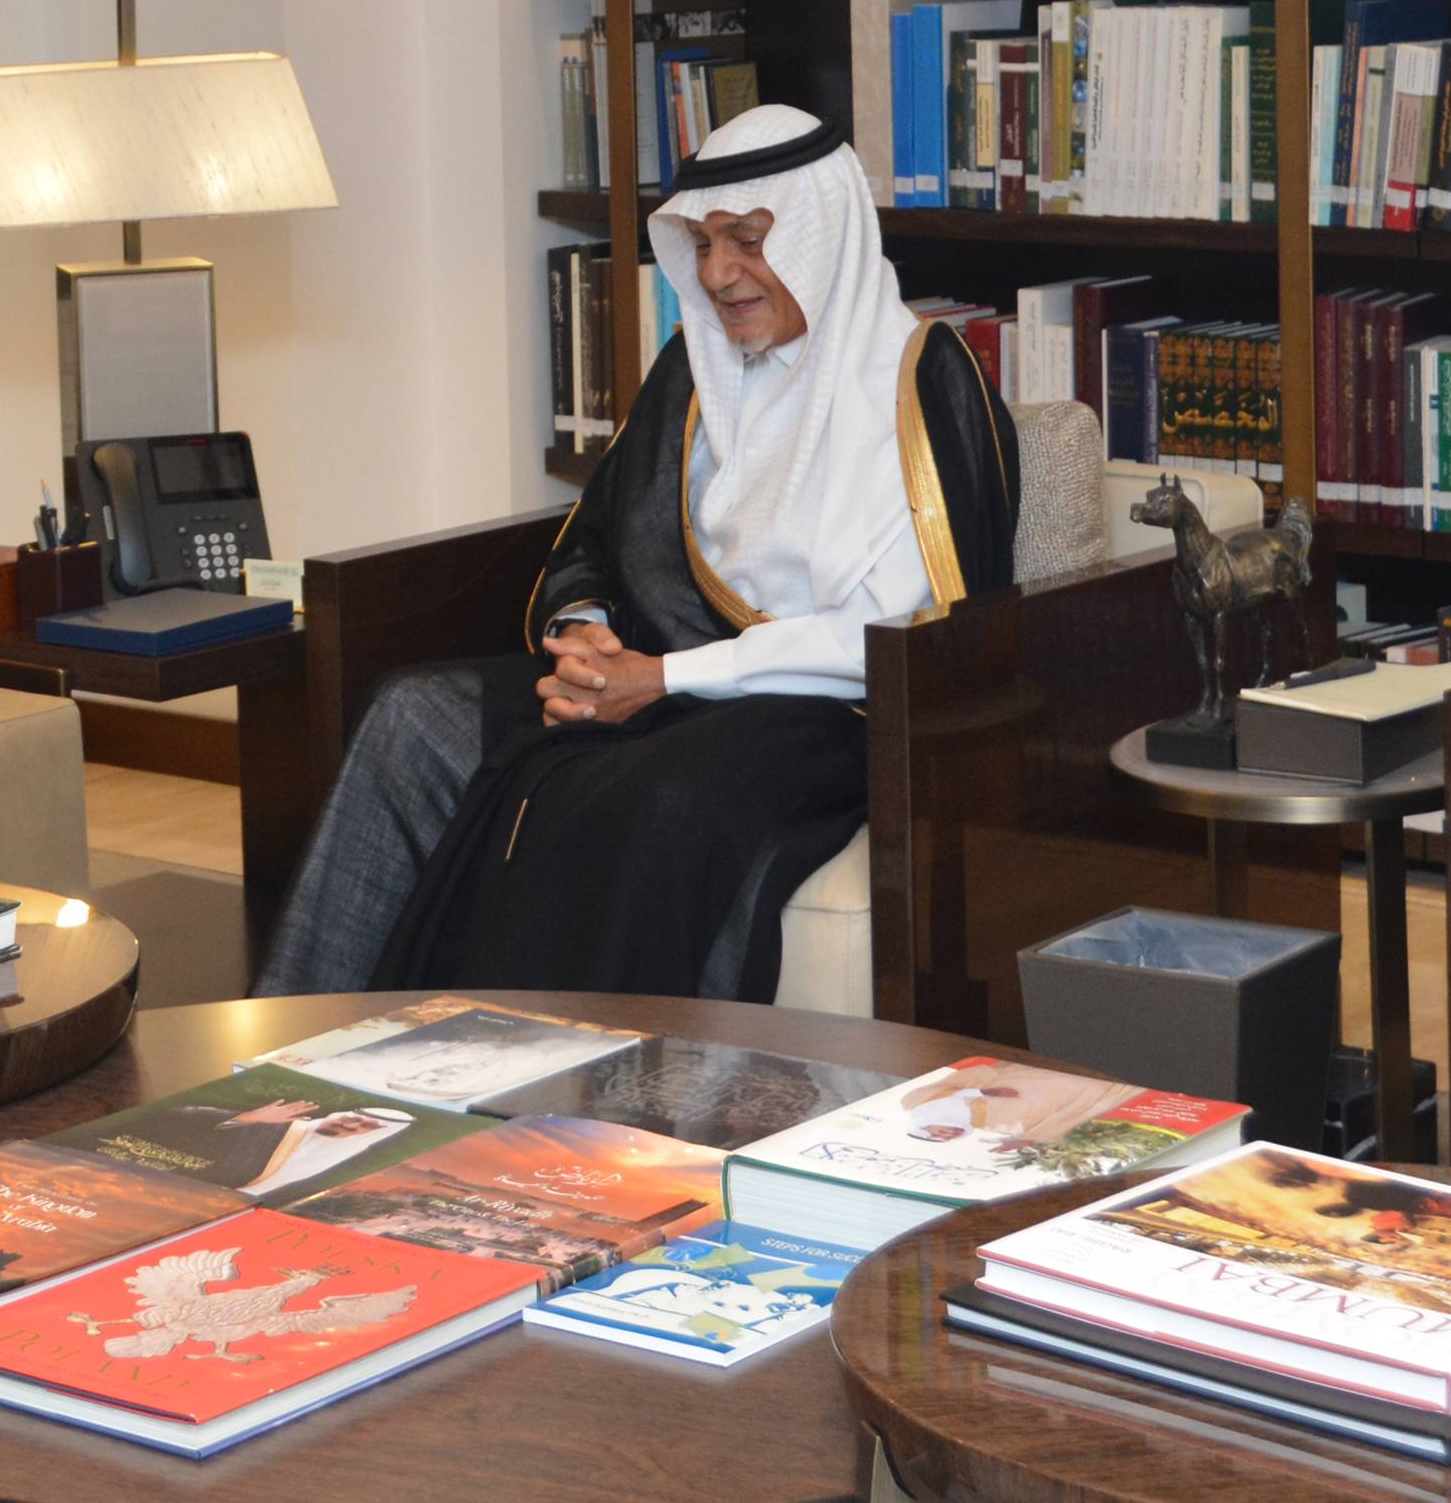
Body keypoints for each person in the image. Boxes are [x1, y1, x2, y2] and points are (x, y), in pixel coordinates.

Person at [257, 103, 1017, 1001]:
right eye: (702, 243)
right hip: (662, 681)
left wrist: (658, 679)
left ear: (822, 237)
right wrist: (585, 637)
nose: (719, 273)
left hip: (824, 713)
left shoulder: (923, 382)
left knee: (647, 800)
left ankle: (546, 1062)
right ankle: (305, 1034)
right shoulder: (696, 369)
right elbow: (601, 534)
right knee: (409, 717)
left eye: (747, 241)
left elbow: (899, 636)